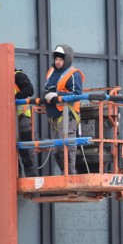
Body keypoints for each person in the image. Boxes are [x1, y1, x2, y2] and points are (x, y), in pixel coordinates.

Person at [43, 44, 85, 174]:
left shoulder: (73, 74)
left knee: (66, 145)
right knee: (56, 149)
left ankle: (70, 173)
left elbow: (77, 94)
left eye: (60, 59)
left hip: (67, 115)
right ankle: (64, 172)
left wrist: (58, 95)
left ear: (66, 59)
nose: (57, 62)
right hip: (53, 115)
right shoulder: (51, 72)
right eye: (56, 59)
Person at [15, 67, 37, 177]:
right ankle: (16, 181)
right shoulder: (1, 78)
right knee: (13, 153)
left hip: (22, 119)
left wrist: (13, 98)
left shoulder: (18, 76)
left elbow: (30, 90)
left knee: (26, 151)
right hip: (10, 121)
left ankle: (32, 181)